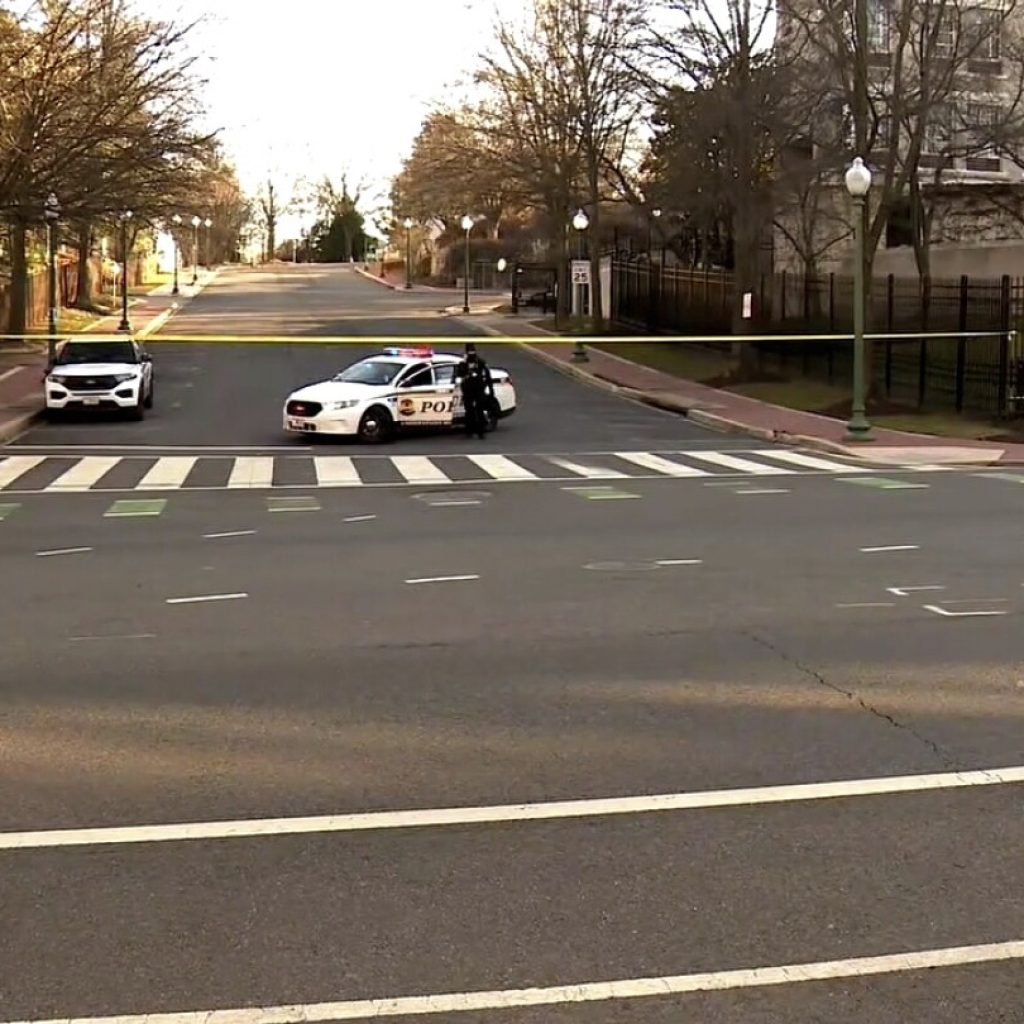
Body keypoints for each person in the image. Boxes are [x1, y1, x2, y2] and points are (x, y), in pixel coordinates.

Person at [454, 343, 494, 439]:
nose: (472, 353)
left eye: (473, 351)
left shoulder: (480, 362)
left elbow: (488, 376)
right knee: (469, 411)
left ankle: (481, 432)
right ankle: (469, 431)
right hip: (468, 389)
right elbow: (459, 374)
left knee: (480, 411)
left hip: (479, 389)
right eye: (470, 352)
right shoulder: (463, 363)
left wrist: (490, 390)